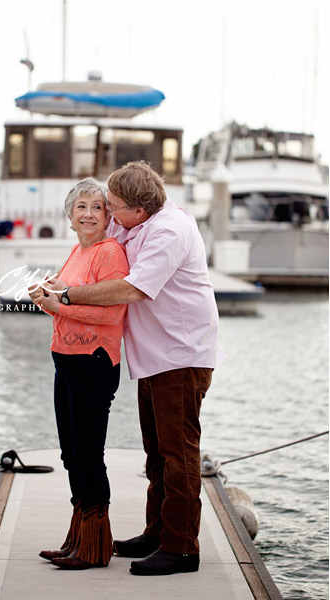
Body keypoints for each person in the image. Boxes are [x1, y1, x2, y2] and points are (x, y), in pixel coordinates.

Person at [31, 161, 221, 576]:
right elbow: (95, 239)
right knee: (156, 453)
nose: (108, 215)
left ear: (140, 209)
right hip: (153, 355)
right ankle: (156, 532)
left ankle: (182, 547)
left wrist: (66, 295)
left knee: (178, 454)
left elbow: (132, 288)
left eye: (113, 207)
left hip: (181, 355)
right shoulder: (132, 222)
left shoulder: (170, 230)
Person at [34, 178, 129, 570]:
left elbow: (112, 312)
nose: (88, 214)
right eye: (81, 208)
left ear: (108, 216)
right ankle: (78, 538)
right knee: (71, 454)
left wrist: (60, 304)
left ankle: (95, 547)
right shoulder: (76, 251)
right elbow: (63, 306)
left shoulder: (110, 253)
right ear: (70, 216)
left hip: (94, 363)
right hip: (66, 361)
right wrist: (44, 299)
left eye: (96, 207)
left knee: (89, 454)